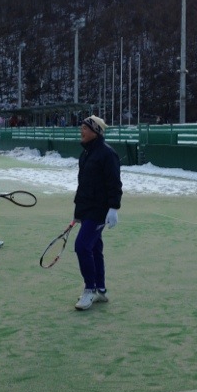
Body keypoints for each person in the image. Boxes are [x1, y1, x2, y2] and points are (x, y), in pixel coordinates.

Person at [73, 115, 122, 311]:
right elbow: (84, 186)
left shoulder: (107, 154)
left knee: (82, 246)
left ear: (95, 131)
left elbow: (114, 183)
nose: (81, 131)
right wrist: (79, 212)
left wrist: (114, 208)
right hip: (87, 209)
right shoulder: (86, 153)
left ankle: (90, 289)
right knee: (94, 248)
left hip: (99, 210)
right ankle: (100, 289)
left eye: (85, 128)